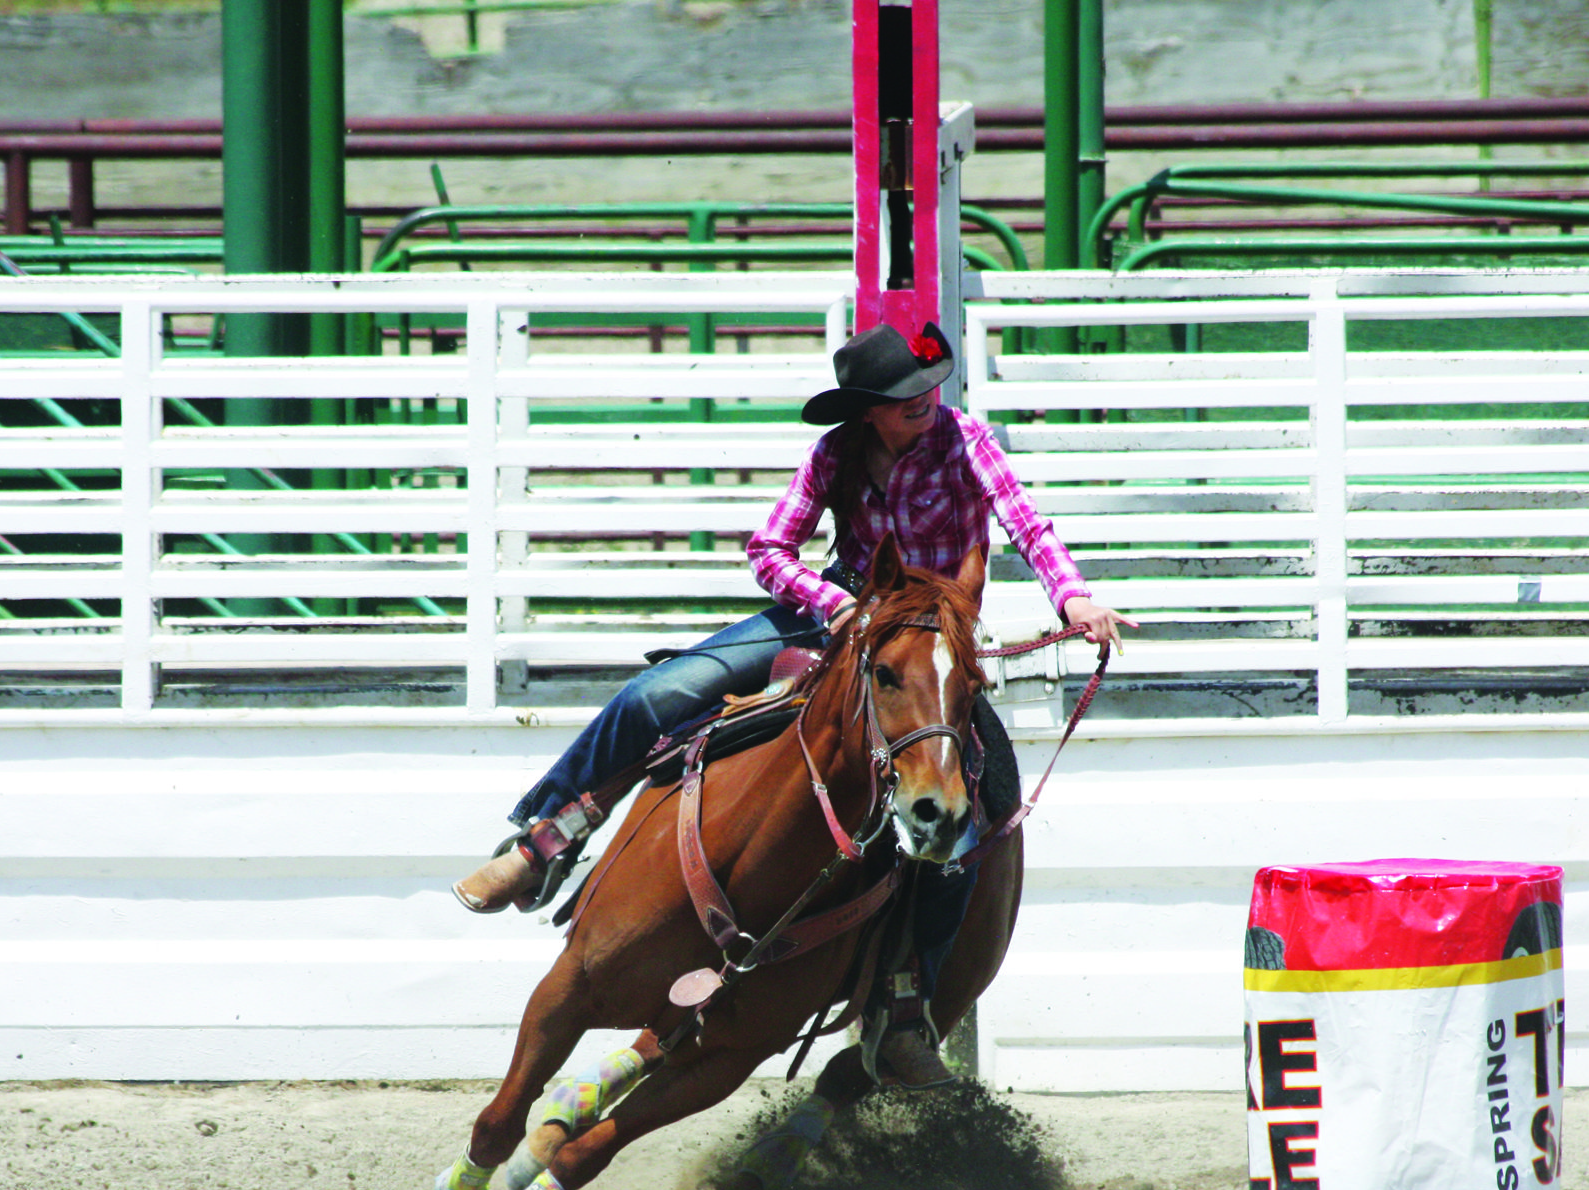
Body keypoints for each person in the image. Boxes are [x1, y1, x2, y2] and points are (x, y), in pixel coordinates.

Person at [451, 321, 1133, 1086]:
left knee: (961, 831)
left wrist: (1073, 597)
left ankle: (905, 1009)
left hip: (926, 648)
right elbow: (769, 550)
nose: (923, 401)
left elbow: (1027, 525)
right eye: (902, 395)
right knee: (658, 694)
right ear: (867, 407)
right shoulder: (836, 455)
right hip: (837, 614)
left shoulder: (967, 442)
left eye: (927, 387)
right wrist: (835, 602)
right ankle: (545, 841)